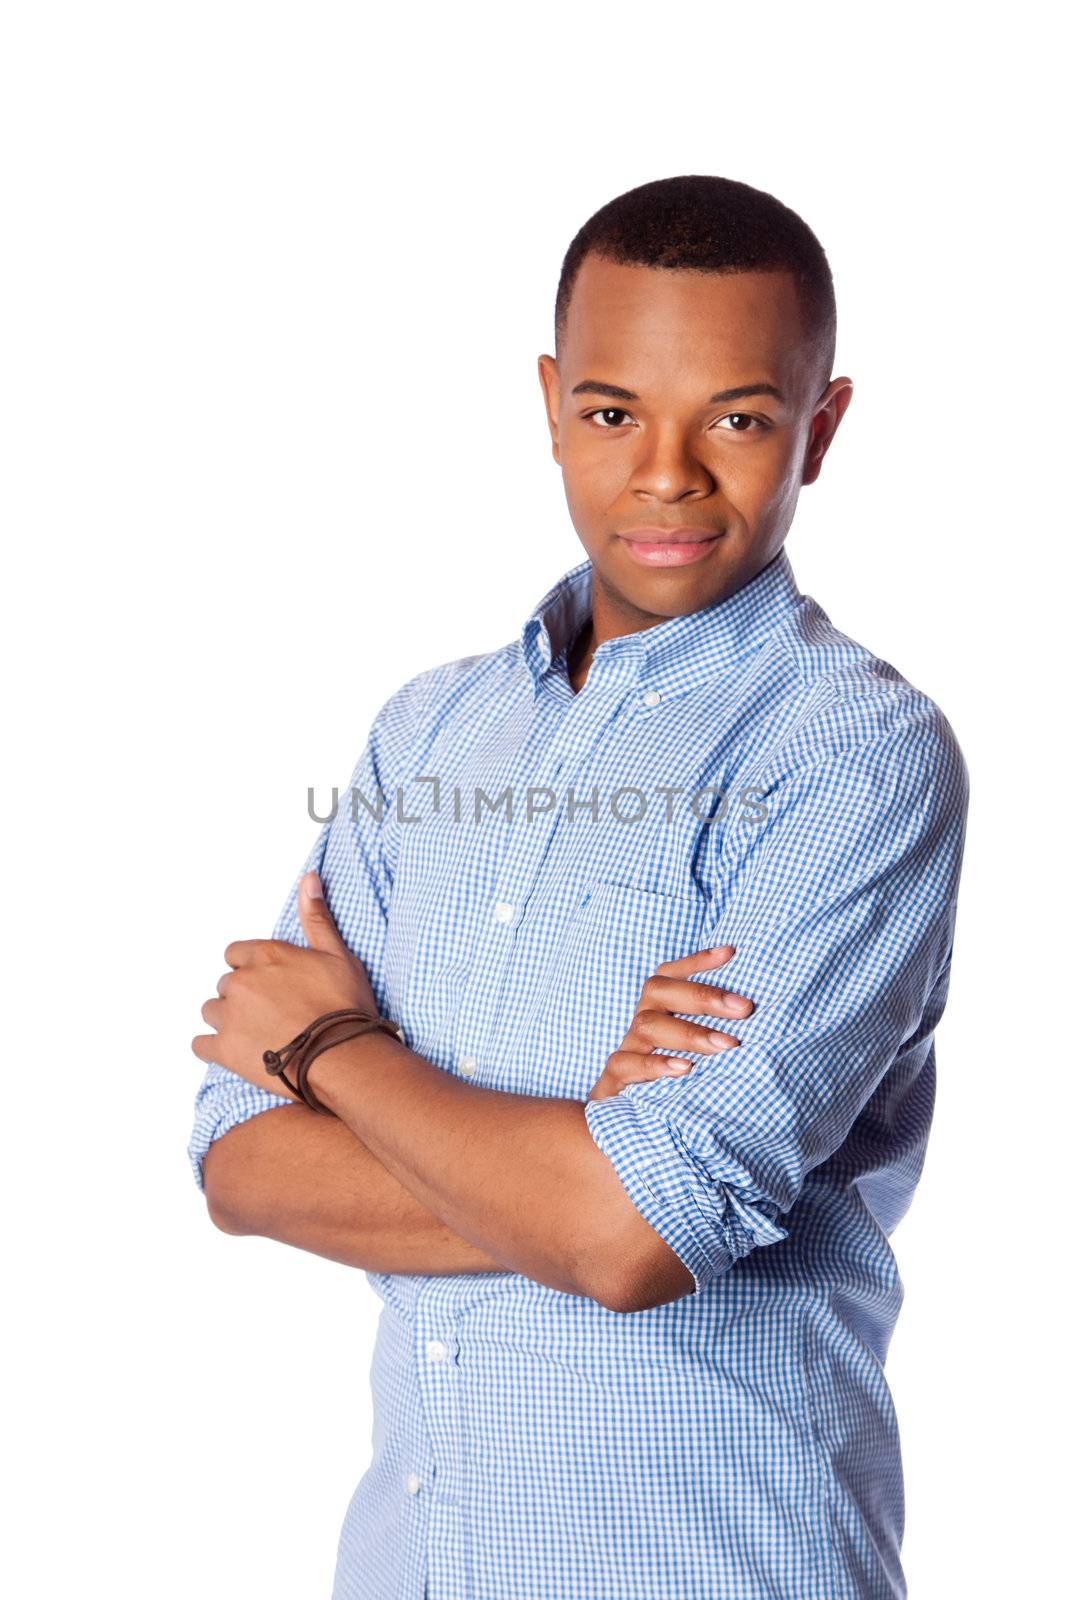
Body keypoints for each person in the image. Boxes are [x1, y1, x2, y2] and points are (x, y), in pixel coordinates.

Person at [189, 173, 969, 1600]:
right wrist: (580, 1160)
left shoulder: (852, 758)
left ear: (823, 426)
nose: (666, 474)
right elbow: (237, 1164)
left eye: (738, 416)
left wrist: (331, 1050)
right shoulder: (430, 733)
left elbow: (630, 1236)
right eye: (613, 413)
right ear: (551, 404)